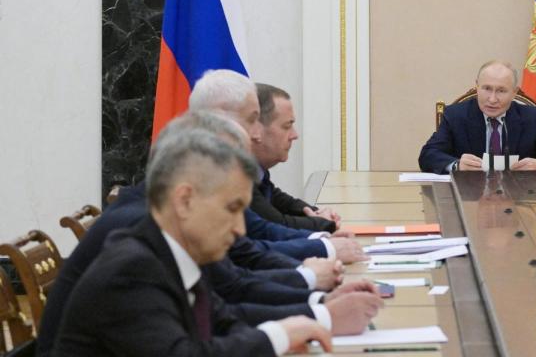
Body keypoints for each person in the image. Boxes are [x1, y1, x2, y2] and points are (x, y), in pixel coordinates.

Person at [52, 127, 336, 355]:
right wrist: (277, 336)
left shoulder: (175, 249)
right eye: (232, 209)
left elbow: (223, 321)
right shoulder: (132, 268)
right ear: (185, 200)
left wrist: (305, 321)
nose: (239, 229)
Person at [189, 70, 365, 263]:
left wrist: (320, 235)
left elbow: (258, 231)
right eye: (251, 120)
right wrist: (324, 245)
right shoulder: (206, 175)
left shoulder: (225, 169)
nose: (256, 133)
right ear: (221, 120)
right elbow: (253, 245)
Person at [419, 60, 536, 173]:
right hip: (470, 199)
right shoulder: (455, 115)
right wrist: (457, 165)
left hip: (520, 200)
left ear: (514, 92)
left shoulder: (532, 117)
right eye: (486, 89)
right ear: (477, 86)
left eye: (501, 91)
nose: (492, 99)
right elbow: (428, 155)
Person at [251, 83, 339, 232]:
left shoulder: (258, 171)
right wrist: (322, 223)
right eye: (286, 126)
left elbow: (278, 200)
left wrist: (316, 212)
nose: (294, 135)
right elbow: (275, 225)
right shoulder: (232, 174)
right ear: (256, 129)